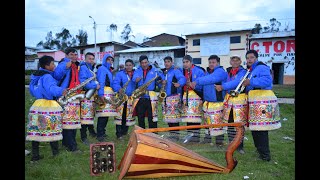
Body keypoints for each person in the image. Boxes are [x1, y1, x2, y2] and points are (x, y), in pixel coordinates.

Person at [241, 49, 281, 161]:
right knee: (255, 128)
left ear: (256, 58)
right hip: (255, 101)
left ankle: (265, 155)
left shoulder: (261, 67)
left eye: (251, 57)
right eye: (248, 58)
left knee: (261, 129)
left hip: (261, 101)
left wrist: (251, 82)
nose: (249, 60)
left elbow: (267, 81)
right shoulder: (251, 70)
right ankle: (260, 151)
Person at [26, 55, 67, 162]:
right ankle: (55, 153)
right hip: (48, 106)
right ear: (46, 65)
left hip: (37, 105)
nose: (54, 65)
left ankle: (35, 156)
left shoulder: (35, 76)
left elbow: (31, 90)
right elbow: (51, 88)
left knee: (35, 130)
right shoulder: (47, 76)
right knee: (52, 127)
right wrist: (61, 91)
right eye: (52, 63)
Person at [189, 55, 227, 147]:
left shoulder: (220, 71)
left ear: (218, 63)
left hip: (217, 101)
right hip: (207, 102)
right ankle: (207, 139)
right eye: (210, 62)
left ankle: (219, 142)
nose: (211, 64)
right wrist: (192, 85)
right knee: (207, 121)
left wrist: (196, 81)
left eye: (213, 62)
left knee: (217, 122)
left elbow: (212, 79)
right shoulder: (207, 72)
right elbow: (202, 86)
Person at [215, 55, 247, 154]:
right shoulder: (227, 72)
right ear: (230, 62)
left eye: (237, 60)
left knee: (239, 124)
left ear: (240, 61)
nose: (235, 62)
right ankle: (231, 144)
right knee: (229, 123)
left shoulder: (243, 72)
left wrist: (222, 86)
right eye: (233, 60)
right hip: (229, 100)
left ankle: (240, 146)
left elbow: (237, 82)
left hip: (239, 100)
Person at [54, 47, 82, 153]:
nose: (74, 56)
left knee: (70, 122)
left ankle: (67, 143)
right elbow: (56, 76)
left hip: (74, 95)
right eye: (71, 54)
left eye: (75, 54)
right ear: (66, 55)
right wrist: (65, 67)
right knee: (69, 122)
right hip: (66, 96)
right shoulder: (63, 64)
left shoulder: (76, 66)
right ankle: (72, 146)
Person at [159, 56, 186, 141]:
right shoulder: (164, 72)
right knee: (168, 118)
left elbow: (183, 78)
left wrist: (179, 83)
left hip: (174, 97)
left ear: (172, 62)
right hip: (166, 98)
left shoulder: (175, 71)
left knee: (175, 118)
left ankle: (176, 136)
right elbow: (161, 85)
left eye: (168, 61)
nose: (166, 63)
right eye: (165, 62)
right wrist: (161, 83)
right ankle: (172, 135)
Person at [132, 55, 162, 129]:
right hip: (140, 97)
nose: (144, 64)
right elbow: (134, 79)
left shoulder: (154, 70)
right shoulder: (137, 70)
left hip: (150, 97)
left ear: (148, 62)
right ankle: (142, 134)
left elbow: (160, 80)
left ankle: (153, 133)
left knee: (152, 117)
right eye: (142, 63)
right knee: (140, 117)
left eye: (146, 62)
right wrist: (136, 79)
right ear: (140, 63)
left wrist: (161, 82)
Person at [180, 55, 205, 143]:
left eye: (187, 62)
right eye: (184, 62)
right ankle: (190, 136)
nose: (185, 64)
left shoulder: (199, 71)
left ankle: (196, 137)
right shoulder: (182, 71)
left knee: (195, 118)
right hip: (186, 96)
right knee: (188, 117)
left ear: (191, 62)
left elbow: (202, 83)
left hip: (195, 95)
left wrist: (193, 85)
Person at [95, 53, 118, 142]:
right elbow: (101, 82)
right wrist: (101, 95)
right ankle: (100, 134)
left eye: (112, 60)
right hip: (104, 93)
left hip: (108, 93)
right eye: (108, 60)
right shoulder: (102, 69)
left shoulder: (108, 70)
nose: (110, 62)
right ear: (104, 60)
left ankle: (102, 132)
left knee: (106, 115)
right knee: (102, 115)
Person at [78, 52, 100, 145]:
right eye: (89, 59)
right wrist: (95, 85)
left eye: (92, 59)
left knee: (88, 116)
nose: (91, 60)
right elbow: (84, 83)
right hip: (85, 95)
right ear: (85, 59)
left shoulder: (89, 68)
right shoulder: (83, 68)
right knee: (84, 118)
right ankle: (84, 137)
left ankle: (89, 133)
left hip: (89, 96)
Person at [112, 59, 136, 139]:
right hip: (121, 97)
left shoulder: (135, 73)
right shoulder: (120, 74)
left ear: (133, 66)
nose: (128, 67)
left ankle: (125, 132)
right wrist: (119, 89)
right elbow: (115, 83)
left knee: (128, 115)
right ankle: (119, 134)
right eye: (127, 65)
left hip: (131, 98)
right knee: (120, 116)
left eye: (130, 65)